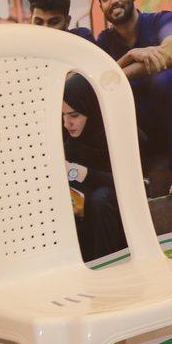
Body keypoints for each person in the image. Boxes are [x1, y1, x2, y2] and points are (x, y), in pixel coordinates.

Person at [92, 0, 172, 194]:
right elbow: (97, 83)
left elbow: (169, 55)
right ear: (101, 7)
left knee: (165, 78)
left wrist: (116, 73)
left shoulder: (163, 20)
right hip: (146, 132)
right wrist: (131, 55)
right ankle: (135, 179)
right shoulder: (104, 42)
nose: (114, 0)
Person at [61, 74, 130, 262]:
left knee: (101, 198)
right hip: (83, 218)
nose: (67, 123)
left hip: (117, 216)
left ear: (90, 109)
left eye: (74, 115)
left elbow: (128, 182)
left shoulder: (114, 135)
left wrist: (79, 172)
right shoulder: (69, 141)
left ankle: (106, 266)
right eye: (63, 115)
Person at [28, 0, 94, 41]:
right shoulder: (25, 43)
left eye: (54, 22)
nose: (46, 29)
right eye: (38, 22)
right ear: (30, 20)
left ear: (67, 21)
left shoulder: (81, 40)